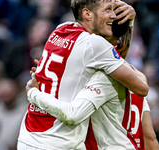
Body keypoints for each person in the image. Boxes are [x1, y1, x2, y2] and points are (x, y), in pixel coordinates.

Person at [18, 0, 149, 150]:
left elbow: (114, 60)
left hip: (30, 134)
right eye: (107, 10)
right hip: (57, 141)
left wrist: (127, 22)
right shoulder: (95, 45)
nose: (113, 15)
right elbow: (141, 88)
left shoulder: (60, 29)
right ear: (87, 14)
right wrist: (129, 23)